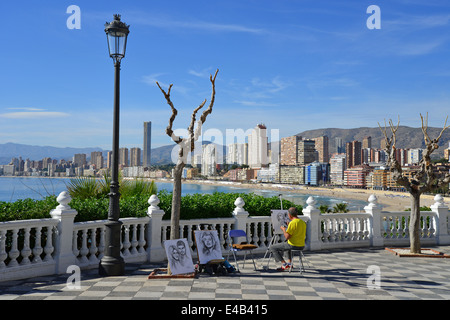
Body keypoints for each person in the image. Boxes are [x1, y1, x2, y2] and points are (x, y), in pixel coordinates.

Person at [269, 207, 306, 271]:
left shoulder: (293, 223)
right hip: (301, 245)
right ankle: (289, 263)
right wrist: (289, 226)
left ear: (289, 215)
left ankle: (284, 264)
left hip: (293, 245)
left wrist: (283, 229)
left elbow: (287, 236)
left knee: (272, 247)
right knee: (286, 244)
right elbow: (295, 232)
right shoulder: (302, 222)